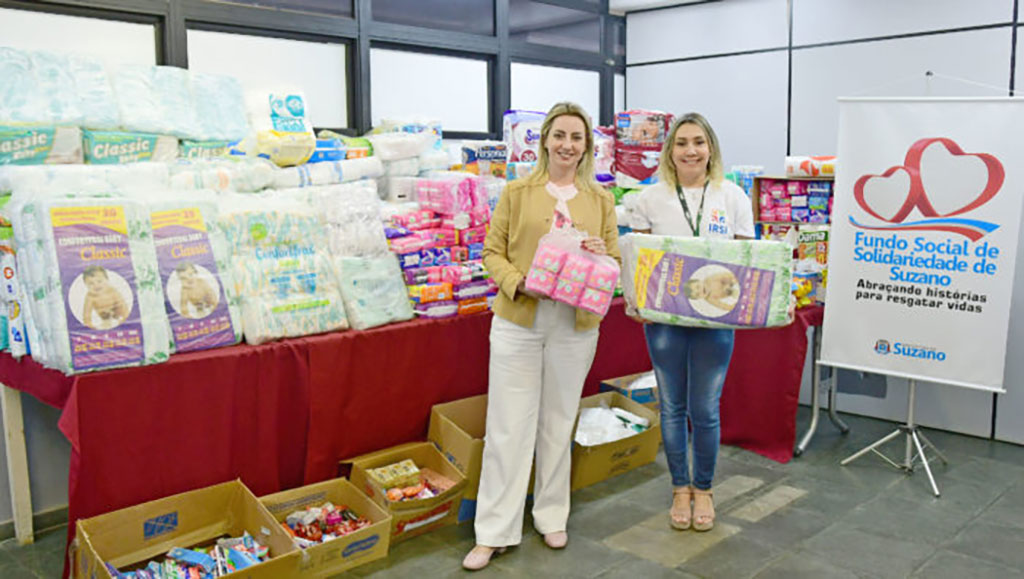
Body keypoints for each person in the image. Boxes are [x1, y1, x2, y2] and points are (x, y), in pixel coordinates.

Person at [463, 102, 620, 571]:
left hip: (575, 325)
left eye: (576, 137)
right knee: (508, 426)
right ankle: (493, 531)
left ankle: (551, 515)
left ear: (586, 146)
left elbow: (614, 263)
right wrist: (518, 283)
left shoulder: (601, 199)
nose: (567, 145)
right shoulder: (517, 192)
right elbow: (492, 252)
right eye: (559, 135)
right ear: (545, 140)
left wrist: (599, 254)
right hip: (519, 321)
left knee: (558, 421)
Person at [627, 112, 754, 532]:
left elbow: (746, 260)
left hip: (715, 319)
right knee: (672, 406)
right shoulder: (650, 198)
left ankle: (705, 488)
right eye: (681, 143)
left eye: (698, 142)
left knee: (705, 409)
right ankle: (680, 487)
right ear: (670, 151)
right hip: (665, 319)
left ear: (710, 148)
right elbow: (640, 261)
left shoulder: (732, 196)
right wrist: (636, 300)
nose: (690, 150)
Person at [81, 265, 129, 330]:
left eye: (99, 281)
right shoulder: (90, 297)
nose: (96, 285)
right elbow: (86, 314)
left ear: (107, 280)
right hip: (105, 317)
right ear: (86, 285)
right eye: (91, 283)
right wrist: (89, 325)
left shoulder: (112, 291)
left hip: (118, 314)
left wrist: (125, 318)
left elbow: (123, 305)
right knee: (105, 326)